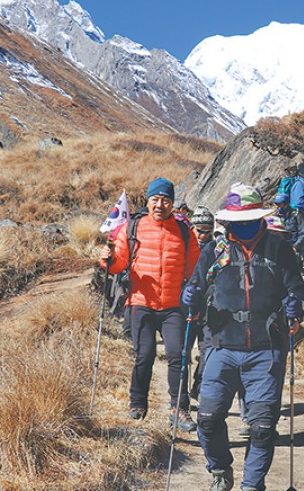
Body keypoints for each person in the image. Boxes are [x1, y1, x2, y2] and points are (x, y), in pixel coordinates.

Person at [181, 183, 304, 491]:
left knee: (263, 428)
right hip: (220, 347)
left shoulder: (280, 250)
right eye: (237, 221)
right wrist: (191, 296)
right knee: (208, 420)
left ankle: (252, 486)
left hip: (267, 350)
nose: (242, 226)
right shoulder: (215, 250)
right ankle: (220, 471)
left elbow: (299, 291)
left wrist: (297, 304)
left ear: (260, 217)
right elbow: (197, 287)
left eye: (248, 219)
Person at [99, 177, 200, 430]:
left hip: (173, 306)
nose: (160, 205)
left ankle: (180, 409)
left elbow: (196, 268)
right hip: (141, 302)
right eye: (155, 199)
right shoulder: (132, 229)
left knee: (179, 355)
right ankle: (138, 402)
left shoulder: (185, 232)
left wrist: (197, 293)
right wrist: (107, 260)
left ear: (172, 203)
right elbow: (118, 264)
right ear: (148, 201)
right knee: (144, 354)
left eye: (165, 200)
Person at [188, 206, 215, 401]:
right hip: (186, 308)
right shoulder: (184, 248)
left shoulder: (217, 250)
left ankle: (197, 388)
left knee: (206, 353)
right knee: (183, 353)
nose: (203, 234)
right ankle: (180, 398)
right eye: (199, 229)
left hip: (208, 311)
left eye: (207, 230)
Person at [273, 192, 304, 264]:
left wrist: (295, 247)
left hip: (294, 247)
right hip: (280, 247)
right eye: (276, 204)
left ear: (285, 204)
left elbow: (303, 233)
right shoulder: (276, 216)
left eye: (279, 204)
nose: (277, 206)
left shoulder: (297, 214)